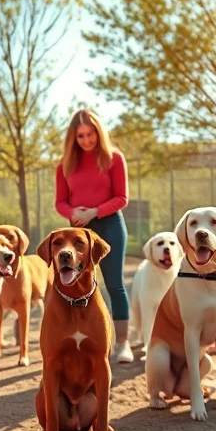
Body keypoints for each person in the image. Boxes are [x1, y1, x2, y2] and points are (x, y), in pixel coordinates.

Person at [54, 108, 133, 363]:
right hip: (78, 232)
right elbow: (60, 202)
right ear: (73, 138)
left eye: (91, 134)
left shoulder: (114, 159)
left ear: (99, 132)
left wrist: (95, 212)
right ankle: (90, 341)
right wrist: (74, 212)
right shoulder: (64, 166)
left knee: (114, 285)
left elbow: (122, 198)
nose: (87, 140)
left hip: (109, 226)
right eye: (81, 136)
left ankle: (122, 343)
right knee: (82, 287)